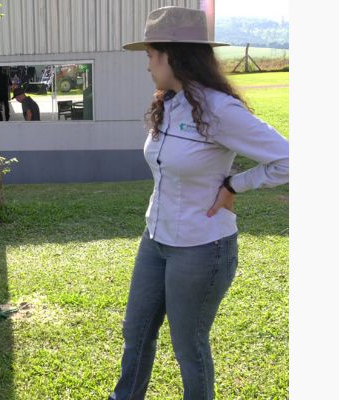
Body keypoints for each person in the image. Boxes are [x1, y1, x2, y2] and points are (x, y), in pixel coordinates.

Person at [108, 7, 288, 400]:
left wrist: (235, 185)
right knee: (135, 333)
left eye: (151, 55)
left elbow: (288, 158)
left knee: (188, 347)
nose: (148, 66)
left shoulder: (220, 110)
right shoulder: (169, 103)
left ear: (173, 54)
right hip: (155, 240)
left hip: (202, 248)